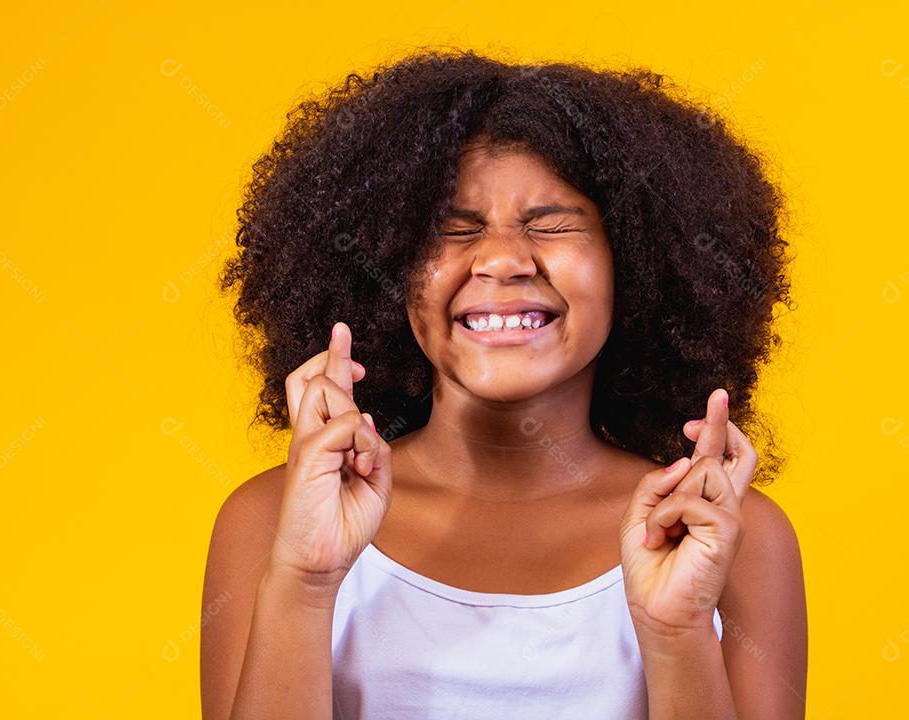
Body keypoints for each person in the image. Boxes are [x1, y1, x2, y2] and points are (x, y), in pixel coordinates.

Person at [202, 48, 807, 719]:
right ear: (389, 269)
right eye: (453, 231)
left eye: (550, 225)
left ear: (633, 265)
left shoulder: (733, 536)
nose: (500, 259)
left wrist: (676, 634)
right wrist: (307, 580)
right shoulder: (271, 521)